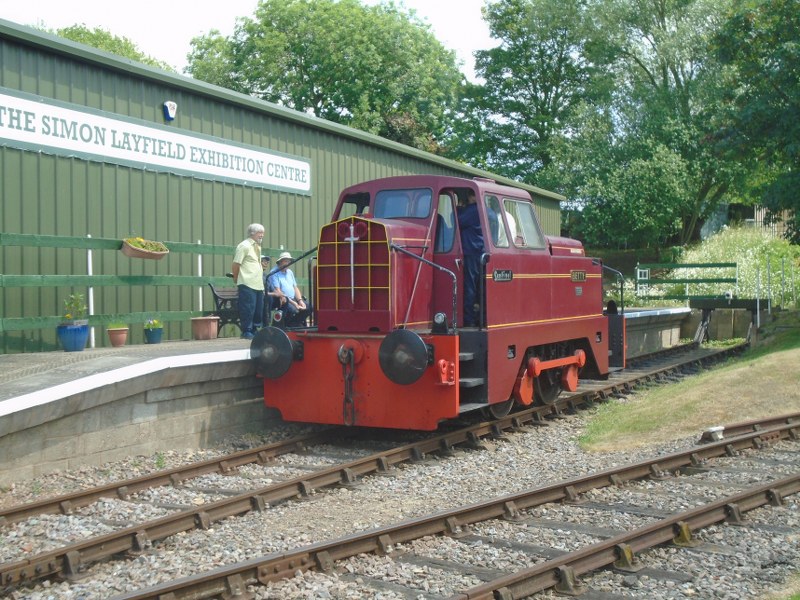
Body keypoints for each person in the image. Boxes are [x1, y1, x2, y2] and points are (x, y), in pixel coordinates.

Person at [231, 223, 265, 339]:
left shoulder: (257, 247)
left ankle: (255, 329)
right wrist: (236, 278)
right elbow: (236, 264)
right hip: (247, 282)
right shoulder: (244, 246)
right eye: (260, 232)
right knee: (248, 308)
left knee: (258, 309)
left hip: (258, 284)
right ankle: (246, 331)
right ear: (252, 233)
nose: (262, 235)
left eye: (262, 233)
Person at [457, 190, 484, 327]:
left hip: (471, 251)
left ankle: (469, 319)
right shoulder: (488, 211)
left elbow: (457, 221)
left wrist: (458, 208)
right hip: (482, 252)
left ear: (472, 197)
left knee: (470, 287)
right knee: (481, 288)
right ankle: (481, 317)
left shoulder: (473, 210)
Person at [267, 251, 310, 327]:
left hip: (293, 299)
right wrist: (295, 304)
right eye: (286, 261)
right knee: (293, 310)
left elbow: (295, 287)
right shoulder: (274, 273)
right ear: (280, 262)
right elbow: (278, 291)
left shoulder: (290, 272)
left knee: (309, 307)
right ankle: (286, 327)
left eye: (289, 261)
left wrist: (300, 300)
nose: (288, 263)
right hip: (283, 300)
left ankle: (294, 325)